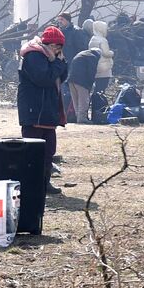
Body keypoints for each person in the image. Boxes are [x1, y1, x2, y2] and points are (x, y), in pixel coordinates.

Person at [17, 26, 68, 190]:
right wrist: (58, 64)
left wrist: (60, 63)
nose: (58, 50)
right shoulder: (34, 55)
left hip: (47, 111)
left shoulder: (51, 58)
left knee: (48, 152)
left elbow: (62, 77)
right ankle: (30, 184)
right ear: (47, 44)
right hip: (35, 111)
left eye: (60, 47)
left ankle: (44, 184)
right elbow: (44, 78)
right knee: (32, 152)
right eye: (56, 46)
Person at [67, 46, 101, 123]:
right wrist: (91, 84)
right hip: (81, 81)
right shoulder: (93, 57)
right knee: (84, 100)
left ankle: (78, 117)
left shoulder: (82, 54)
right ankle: (82, 119)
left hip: (71, 79)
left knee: (76, 100)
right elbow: (91, 72)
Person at [86, 20, 113, 99]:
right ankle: (99, 106)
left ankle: (94, 104)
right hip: (104, 67)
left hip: (95, 66)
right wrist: (111, 53)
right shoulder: (102, 40)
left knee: (96, 88)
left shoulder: (92, 39)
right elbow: (106, 53)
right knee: (101, 89)